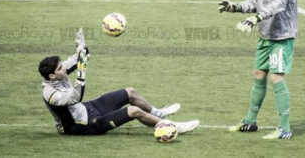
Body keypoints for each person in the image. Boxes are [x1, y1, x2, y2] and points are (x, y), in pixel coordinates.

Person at [38, 28, 199, 135]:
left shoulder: (58, 72)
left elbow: (83, 56)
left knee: (130, 92)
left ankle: (158, 113)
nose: (64, 68)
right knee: (133, 111)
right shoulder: (50, 94)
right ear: (52, 76)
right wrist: (81, 71)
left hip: (86, 109)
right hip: (81, 126)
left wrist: (80, 45)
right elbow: (75, 97)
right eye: (60, 68)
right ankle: (173, 127)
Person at [219, 0, 298, 139]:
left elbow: (279, 3)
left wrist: (256, 18)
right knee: (259, 74)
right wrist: (234, 7)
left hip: (281, 37)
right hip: (266, 35)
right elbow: (254, 2)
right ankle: (250, 122)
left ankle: (284, 129)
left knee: (276, 77)